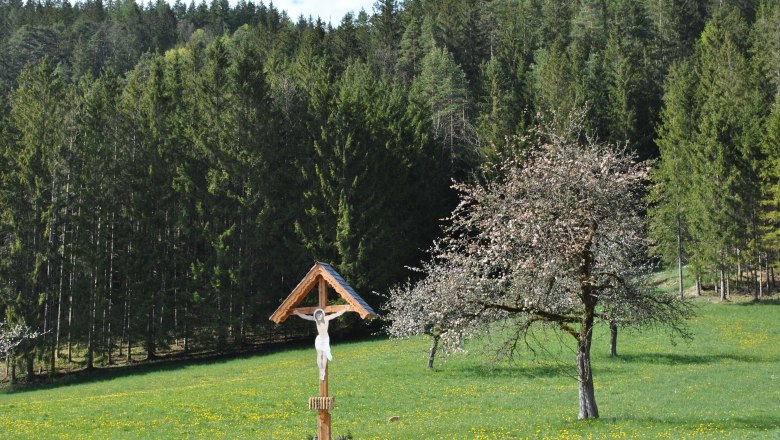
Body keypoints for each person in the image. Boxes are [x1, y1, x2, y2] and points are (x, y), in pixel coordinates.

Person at [293, 305, 351, 380]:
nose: (319, 317)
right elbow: (305, 317)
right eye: (317, 316)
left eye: (320, 315)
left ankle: (323, 370)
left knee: (324, 355)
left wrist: (344, 309)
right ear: (316, 316)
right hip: (319, 339)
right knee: (319, 354)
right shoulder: (315, 320)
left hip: (325, 339)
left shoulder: (326, 318)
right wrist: (298, 313)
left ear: (322, 314)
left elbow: (336, 314)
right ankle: (321, 370)